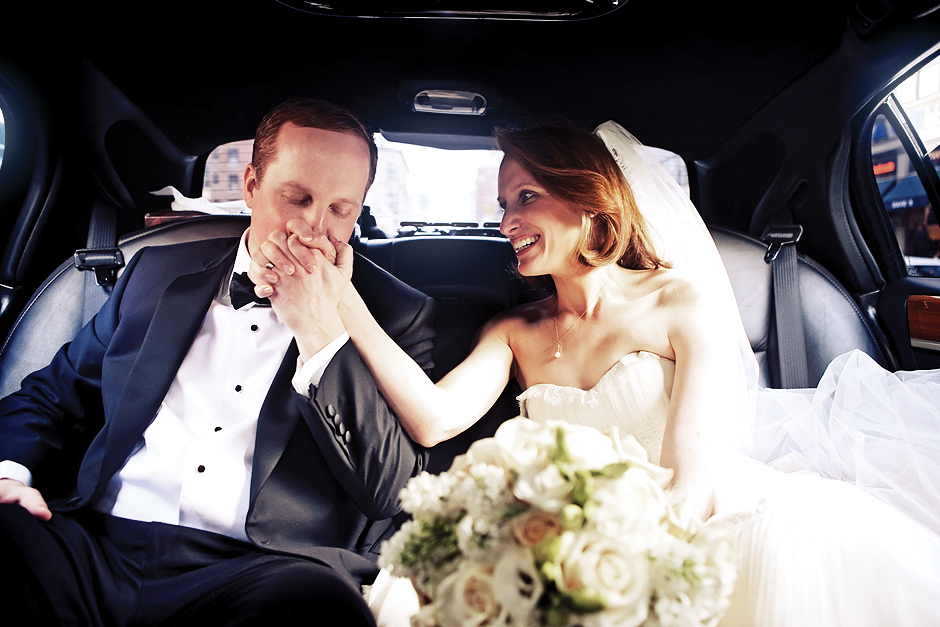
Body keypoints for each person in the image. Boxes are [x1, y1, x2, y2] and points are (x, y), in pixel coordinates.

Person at [253, 118, 940, 626]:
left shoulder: (681, 303)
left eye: (525, 198)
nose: (506, 221)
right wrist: (342, 301)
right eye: (503, 204)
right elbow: (433, 416)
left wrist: (595, 574)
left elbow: (692, 488)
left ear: (586, 198)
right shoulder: (513, 333)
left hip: (713, 525)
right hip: (578, 540)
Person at [0, 98, 436, 626]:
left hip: (264, 570)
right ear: (251, 185)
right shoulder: (154, 273)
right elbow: (54, 395)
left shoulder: (398, 316)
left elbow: (392, 489)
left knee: (319, 610)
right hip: (98, 544)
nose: (313, 229)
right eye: (296, 198)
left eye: (340, 210)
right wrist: (10, 473)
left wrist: (319, 331)